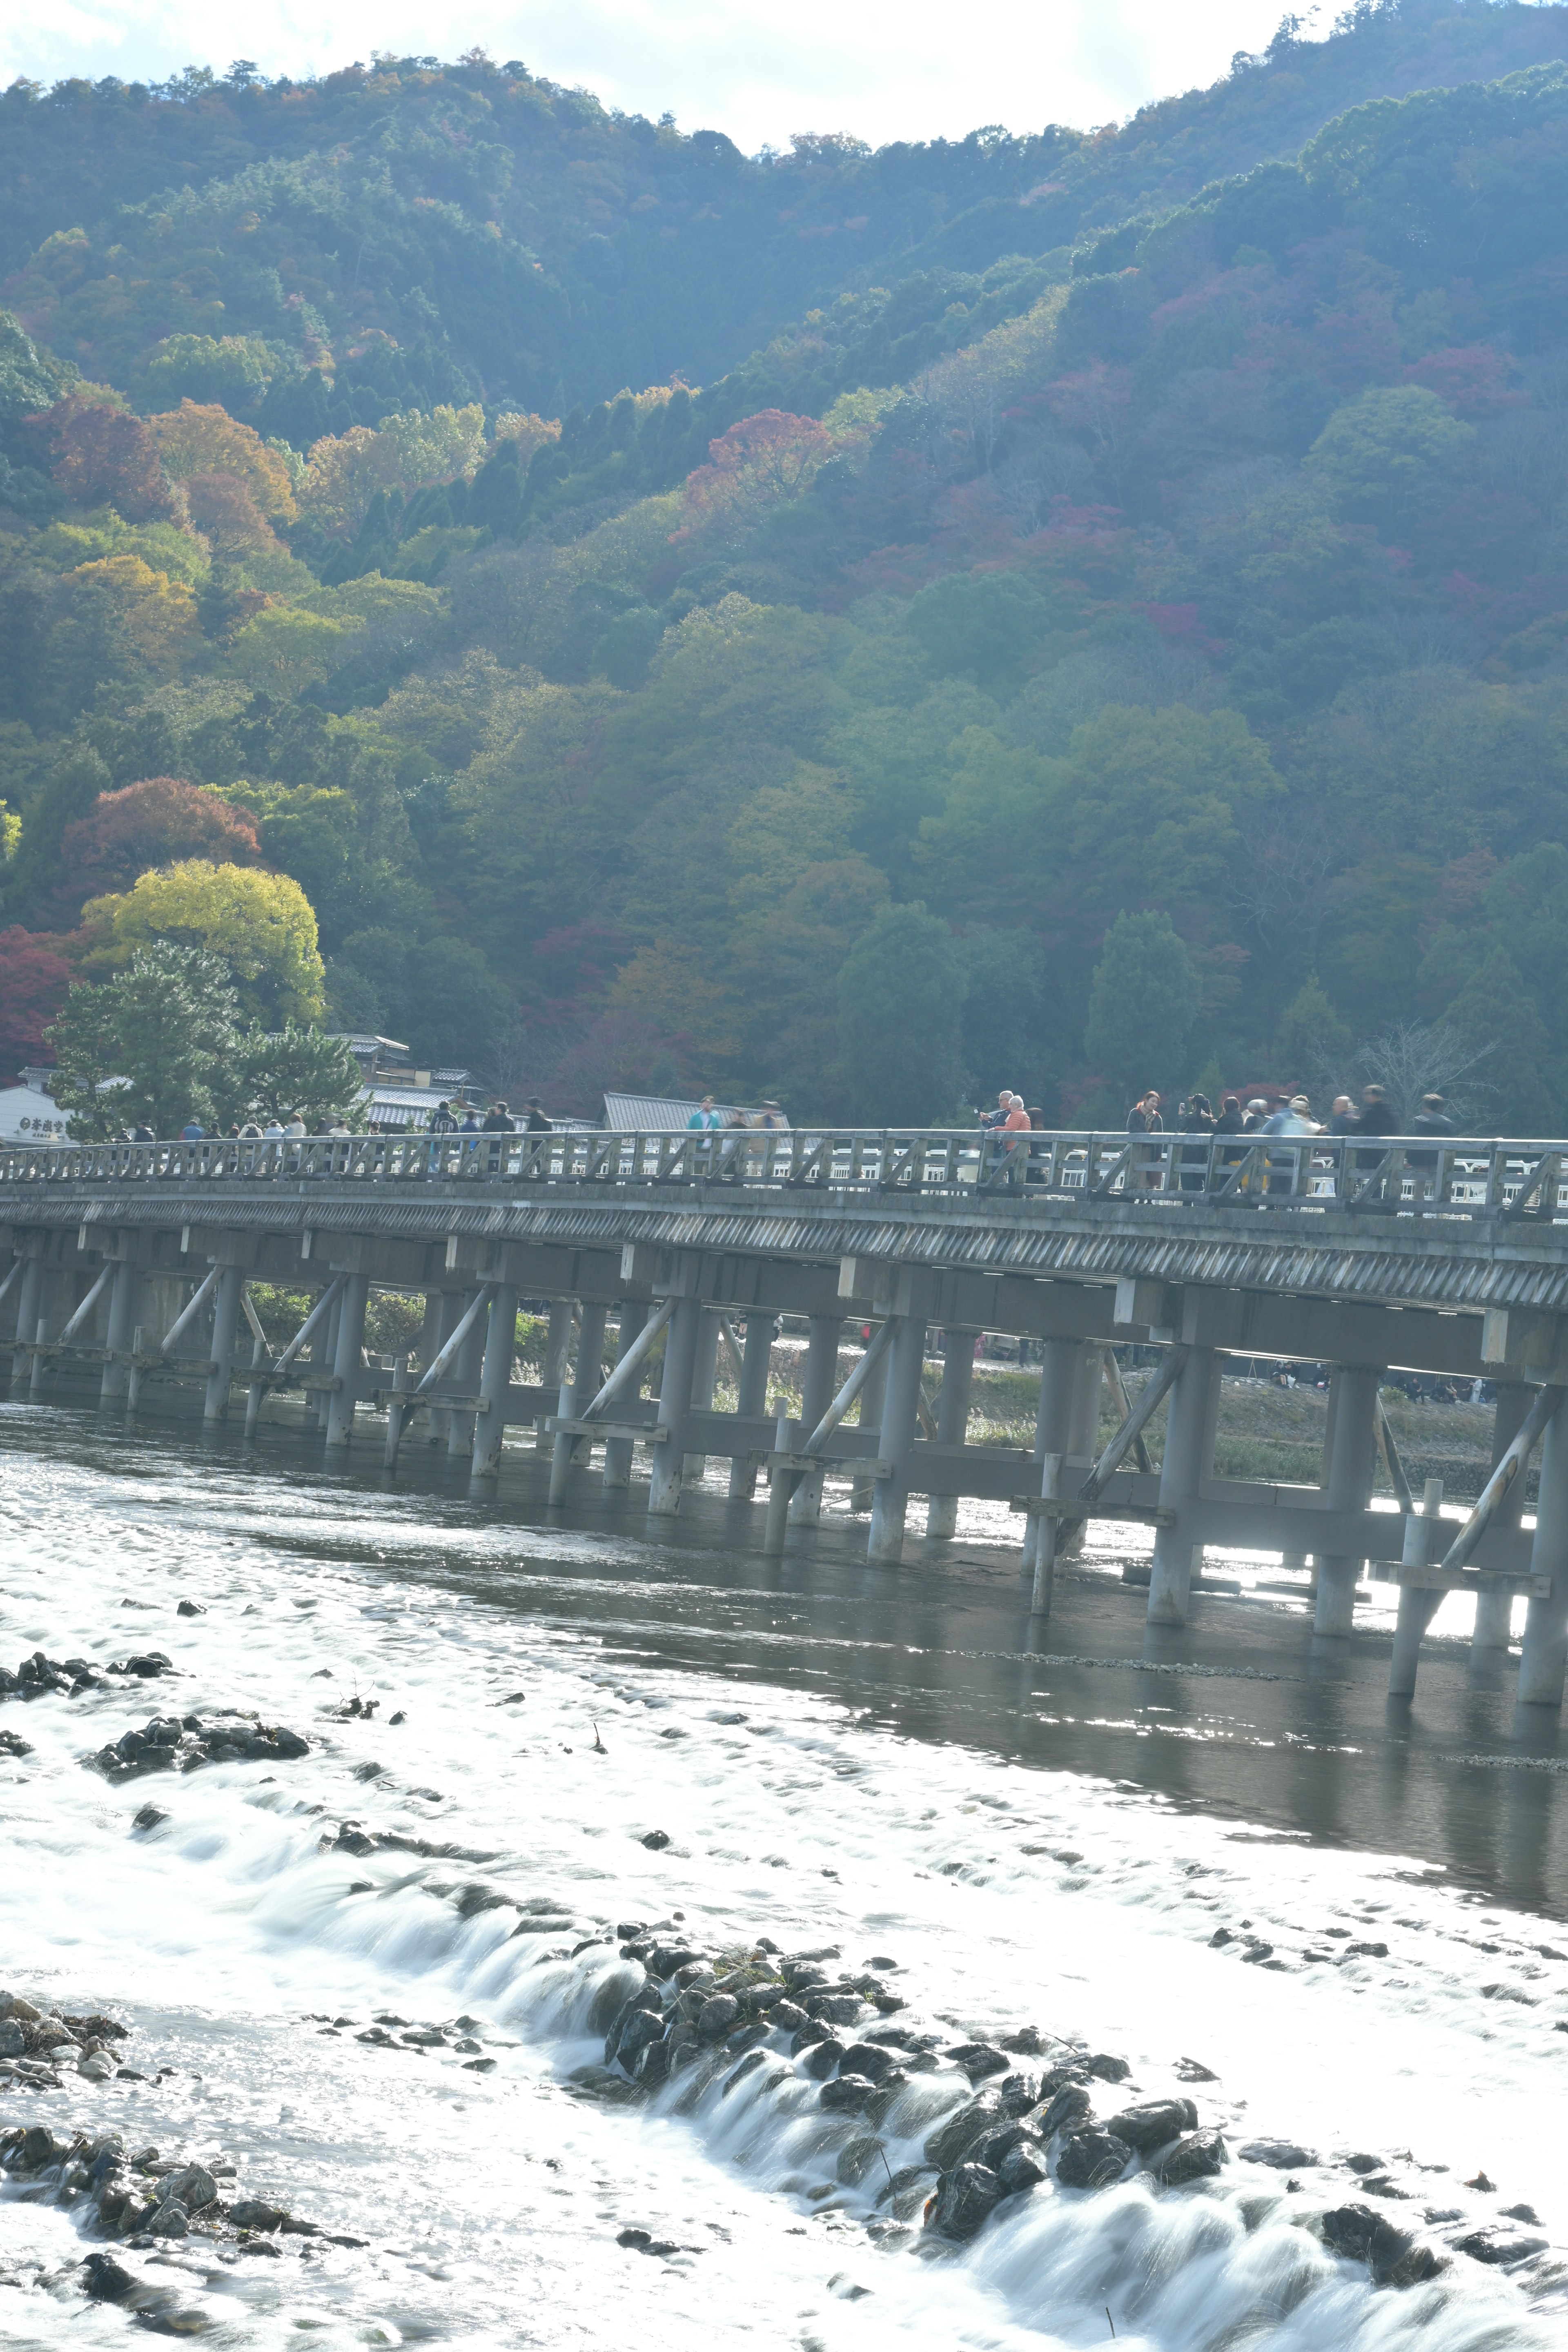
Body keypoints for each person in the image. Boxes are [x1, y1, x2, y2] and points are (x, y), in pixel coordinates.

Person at [1126, 1089, 1164, 1189]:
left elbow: (1161, 1137)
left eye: (1156, 1102)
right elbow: (1131, 1127)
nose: (1154, 1104)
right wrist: (1146, 1135)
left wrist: (1159, 1155)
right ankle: (1133, 1195)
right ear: (1146, 1100)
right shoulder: (1135, 1113)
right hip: (1136, 1148)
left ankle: (1147, 1198)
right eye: (1153, 1101)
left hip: (1151, 1149)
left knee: (1148, 1174)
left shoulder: (1157, 1118)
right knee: (1136, 1172)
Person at [1178, 1091, 1216, 1192]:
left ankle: (1187, 1207)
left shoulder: (1190, 1117)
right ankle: (1199, 1207)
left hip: (1189, 1155)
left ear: (1195, 1105)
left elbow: (1181, 1129)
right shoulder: (1208, 1118)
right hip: (1203, 1155)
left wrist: (1181, 1116)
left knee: (1187, 1186)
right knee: (1198, 1185)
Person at [482, 1097, 516, 1174]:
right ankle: (501, 1178)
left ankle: (488, 1178)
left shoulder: (494, 1120)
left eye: (497, 1109)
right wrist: (514, 1144)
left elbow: (486, 1132)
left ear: (500, 1110)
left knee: (490, 1163)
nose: (496, 1110)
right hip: (505, 1146)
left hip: (493, 1145)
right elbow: (513, 1134)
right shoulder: (511, 1121)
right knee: (502, 1163)